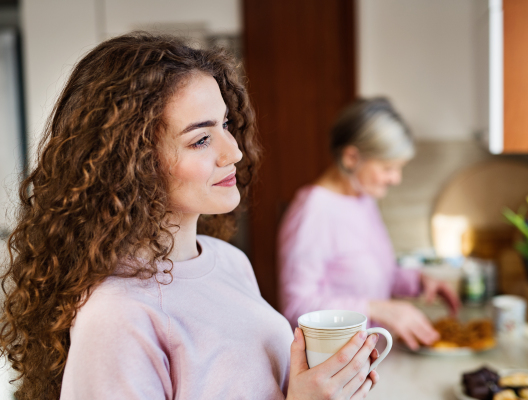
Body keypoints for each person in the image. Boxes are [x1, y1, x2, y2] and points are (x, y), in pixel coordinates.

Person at [0, 33, 380, 400]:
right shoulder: (115, 317)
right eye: (200, 139)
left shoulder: (230, 262)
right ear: (133, 164)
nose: (233, 152)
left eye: (226, 125)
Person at [278, 98, 461, 351]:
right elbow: (296, 307)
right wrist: (380, 310)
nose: (396, 179)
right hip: (333, 368)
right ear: (352, 157)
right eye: (388, 167)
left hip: (368, 358)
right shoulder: (313, 212)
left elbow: (368, 274)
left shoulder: (363, 198)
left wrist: (416, 281)